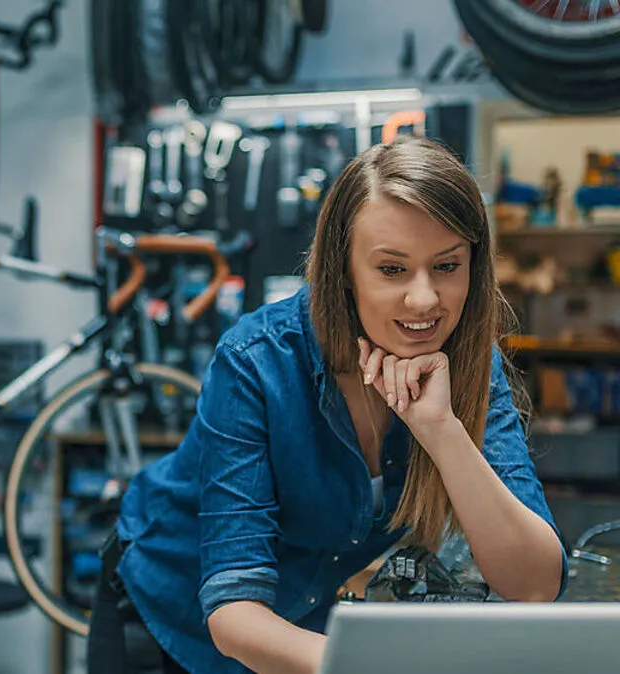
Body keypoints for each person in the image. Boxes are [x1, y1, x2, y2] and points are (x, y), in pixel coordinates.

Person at [87, 136, 568, 674]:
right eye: (391, 269)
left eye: (447, 266)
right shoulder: (256, 360)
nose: (425, 299)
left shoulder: (471, 367)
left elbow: (533, 584)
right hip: (166, 621)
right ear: (342, 270)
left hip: (302, 632)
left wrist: (441, 430)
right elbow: (235, 610)